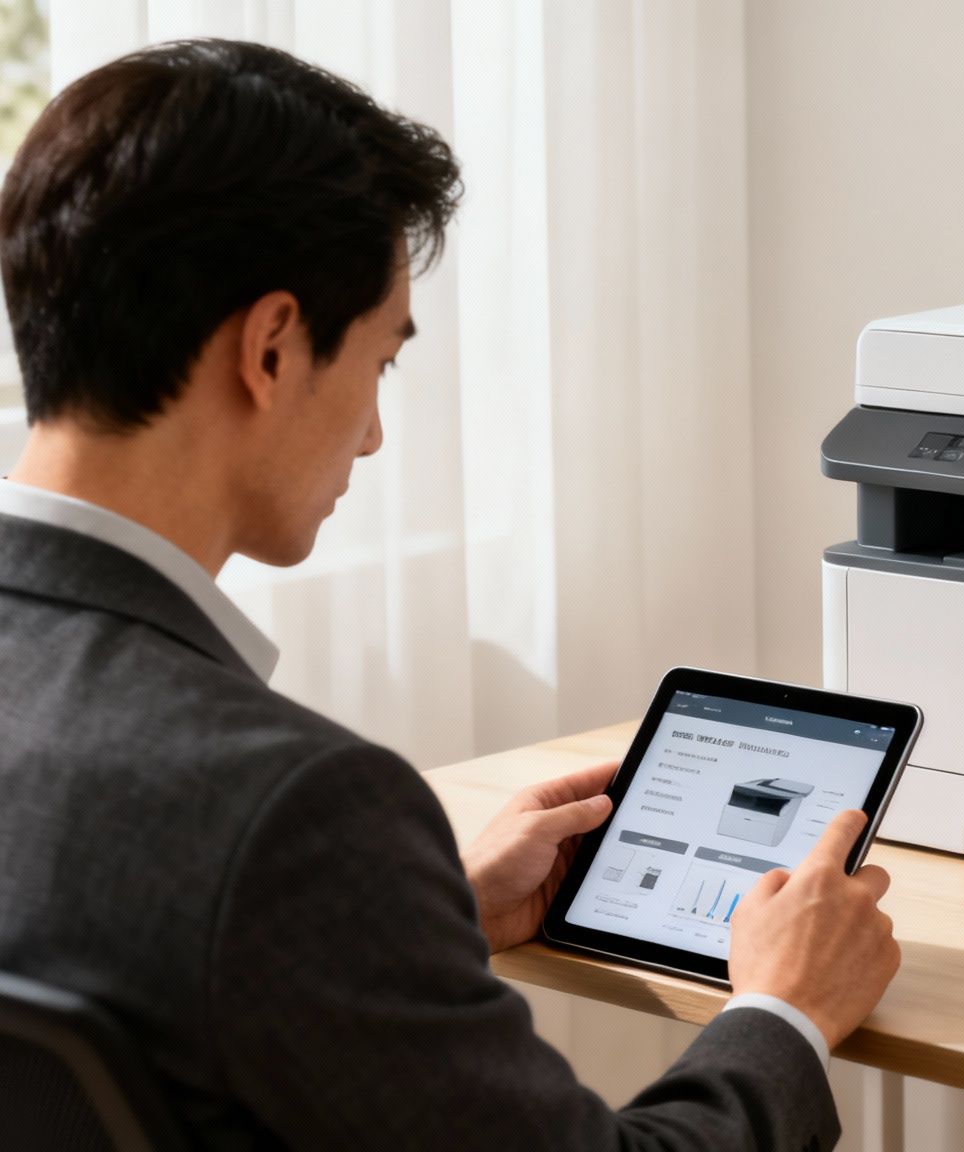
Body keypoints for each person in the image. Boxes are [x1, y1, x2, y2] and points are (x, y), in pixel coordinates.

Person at [0, 38, 897, 1151]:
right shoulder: (290, 811)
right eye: (380, 363)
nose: (374, 435)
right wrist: (783, 1008)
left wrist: (412, 927)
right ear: (272, 349)